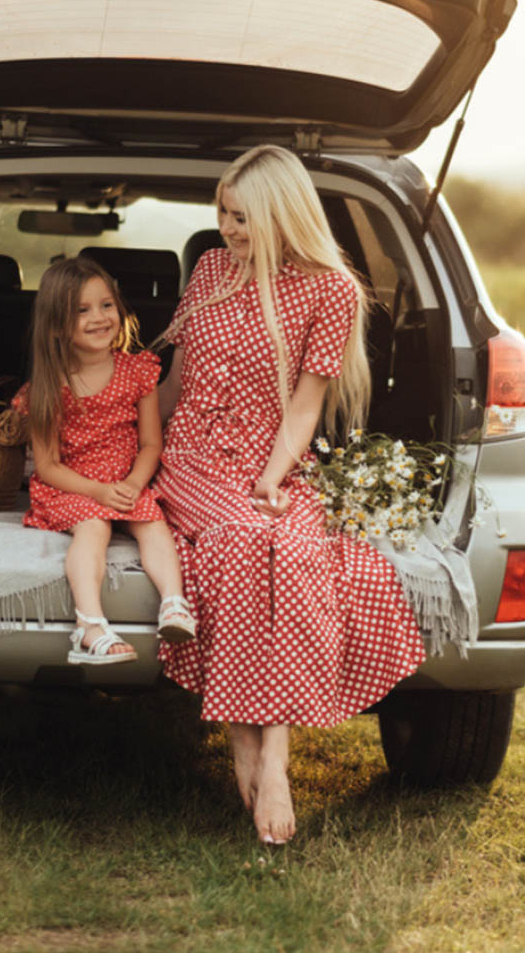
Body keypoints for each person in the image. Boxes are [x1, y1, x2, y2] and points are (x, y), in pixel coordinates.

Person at [154, 145, 426, 845]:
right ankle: (248, 742)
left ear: (282, 214)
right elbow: (175, 380)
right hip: (192, 456)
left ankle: (269, 751)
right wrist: (129, 446)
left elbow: (306, 406)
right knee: (245, 538)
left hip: (272, 458)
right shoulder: (211, 269)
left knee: (296, 549)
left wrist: (272, 477)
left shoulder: (331, 291)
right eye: (223, 213)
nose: (227, 229)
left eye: (242, 217)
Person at [13, 256, 195, 665]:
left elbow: (151, 444)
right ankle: (90, 624)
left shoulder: (137, 371)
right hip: (72, 486)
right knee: (94, 527)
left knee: (153, 523)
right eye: (82, 310)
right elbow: (48, 467)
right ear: (56, 325)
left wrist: (133, 484)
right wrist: (98, 492)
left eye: (106, 305)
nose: (99, 317)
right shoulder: (49, 385)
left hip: (126, 481)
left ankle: (173, 604)